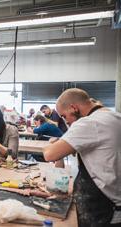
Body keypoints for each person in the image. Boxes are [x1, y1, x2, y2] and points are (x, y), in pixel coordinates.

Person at [43, 88, 121, 226]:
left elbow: (49, 155)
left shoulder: (89, 123)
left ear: (74, 107)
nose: (66, 122)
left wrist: (52, 144)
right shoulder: (113, 116)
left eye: (64, 116)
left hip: (106, 209)